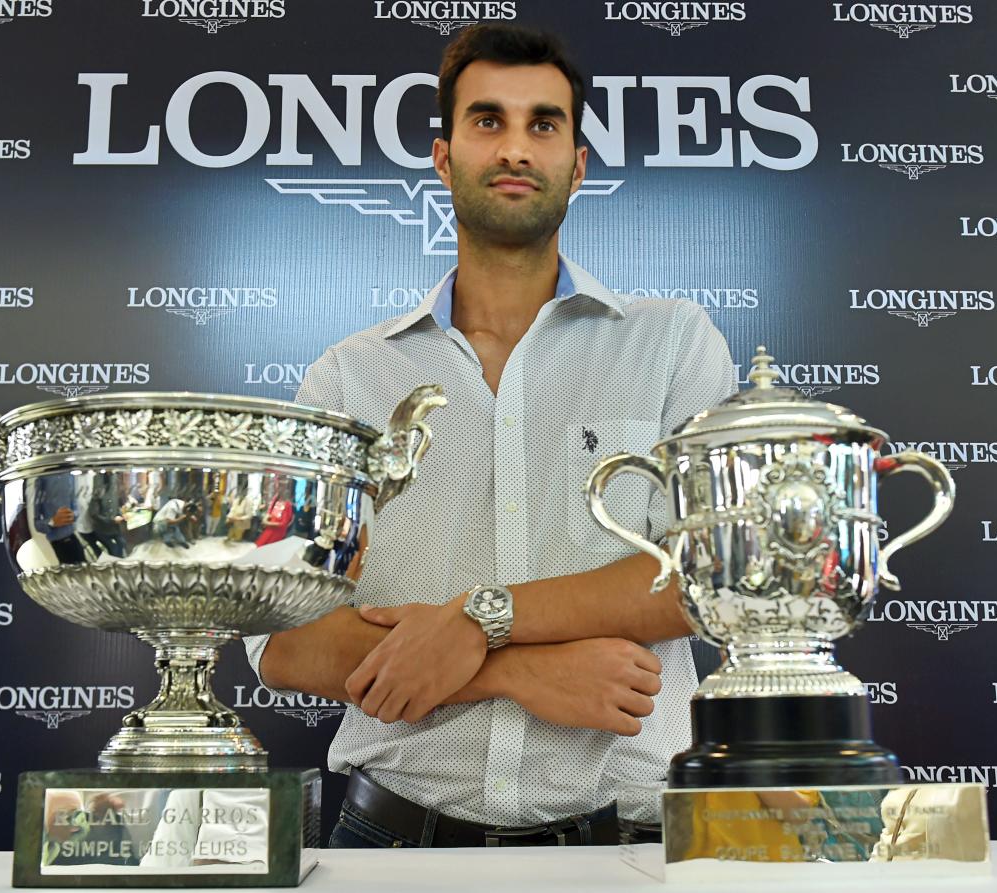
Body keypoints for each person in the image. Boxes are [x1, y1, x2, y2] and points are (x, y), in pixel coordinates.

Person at [243, 23, 736, 848]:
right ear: (444, 158)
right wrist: (510, 667)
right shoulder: (347, 378)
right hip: (393, 842)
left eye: (543, 124)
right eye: (487, 121)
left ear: (578, 167)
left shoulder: (674, 343)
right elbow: (282, 640)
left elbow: (706, 578)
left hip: (631, 843)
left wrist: (478, 619)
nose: (515, 148)